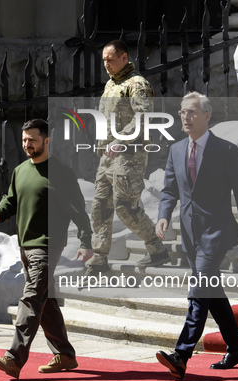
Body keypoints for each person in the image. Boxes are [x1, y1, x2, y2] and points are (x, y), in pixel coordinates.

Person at [155, 92, 238, 379]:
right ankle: (237, 348)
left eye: (191, 112)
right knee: (211, 290)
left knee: (200, 287)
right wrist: (163, 215)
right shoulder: (176, 150)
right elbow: (168, 190)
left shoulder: (225, 150)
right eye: (181, 113)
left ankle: (182, 354)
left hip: (217, 229)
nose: (185, 117)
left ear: (206, 115)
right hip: (190, 232)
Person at [0, 118, 93, 379]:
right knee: (46, 302)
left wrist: (86, 241)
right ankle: (65, 354)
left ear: (47, 141)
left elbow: (78, 209)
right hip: (25, 244)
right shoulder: (20, 170)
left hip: (48, 245)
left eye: (32, 140)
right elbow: (10, 199)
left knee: (32, 298)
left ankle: (13, 358)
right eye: (24, 140)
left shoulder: (60, 172)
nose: (27, 145)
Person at [86, 39, 169, 276]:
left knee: (125, 207)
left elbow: (143, 118)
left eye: (110, 59)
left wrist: (119, 141)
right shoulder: (111, 85)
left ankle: (157, 248)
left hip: (130, 155)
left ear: (124, 57)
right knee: (100, 206)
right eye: (104, 60)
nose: (106, 64)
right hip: (108, 157)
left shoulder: (137, 84)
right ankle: (99, 259)